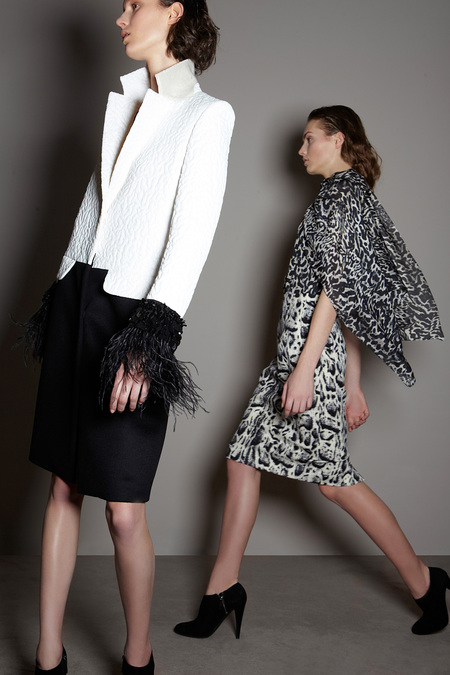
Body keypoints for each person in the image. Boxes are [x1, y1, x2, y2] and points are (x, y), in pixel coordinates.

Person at [173, 105, 448, 642]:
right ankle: (221, 590)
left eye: (308, 140)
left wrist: (308, 373)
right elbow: (349, 295)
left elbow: (335, 292)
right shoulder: (339, 196)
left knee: (333, 483)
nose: (300, 151)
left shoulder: (343, 197)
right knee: (241, 460)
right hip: (297, 357)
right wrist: (352, 382)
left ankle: (424, 582)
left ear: (337, 140)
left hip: (307, 360)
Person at [23, 2, 234, 673]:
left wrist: (149, 341)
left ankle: (137, 656)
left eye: (135, 3)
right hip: (79, 303)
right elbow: (93, 212)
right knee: (63, 488)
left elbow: (191, 239)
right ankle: (48, 653)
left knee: (122, 511)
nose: (121, 16)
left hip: (135, 320)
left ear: (174, 11)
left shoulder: (208, 115)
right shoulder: (126, 103)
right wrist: (60, 296)